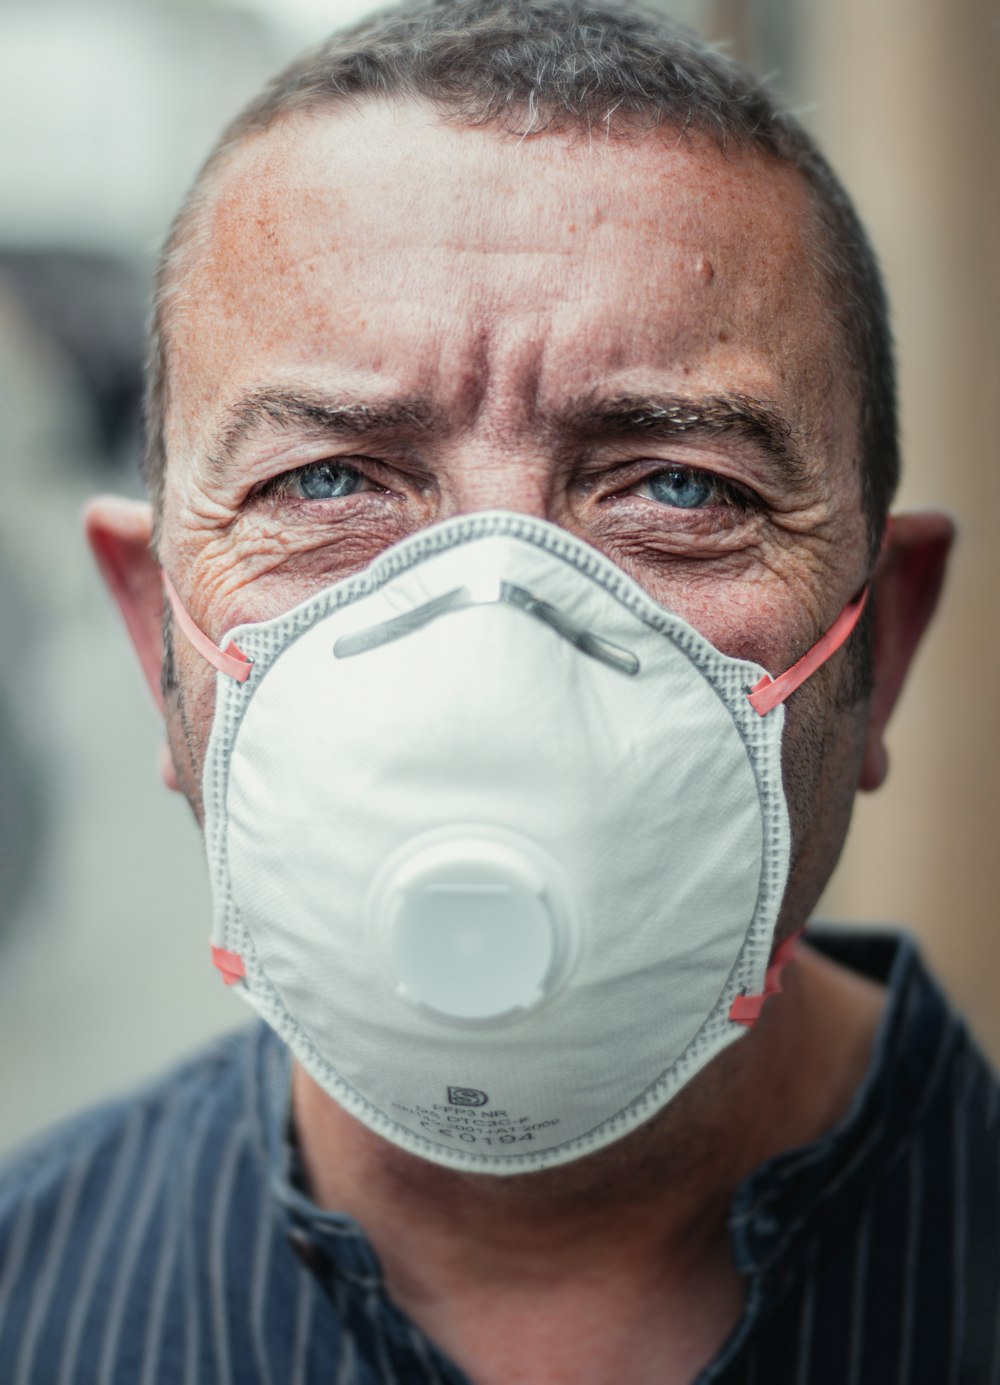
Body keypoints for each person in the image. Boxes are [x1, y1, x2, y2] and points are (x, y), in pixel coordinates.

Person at [1, 1, 996, 1380]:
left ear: (880, 638)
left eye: (678, 485)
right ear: (148, 629)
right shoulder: (31, 1303)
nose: (491, 666)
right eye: (329, 481)